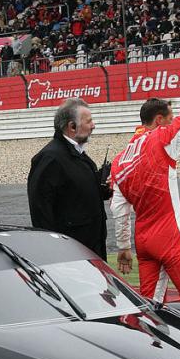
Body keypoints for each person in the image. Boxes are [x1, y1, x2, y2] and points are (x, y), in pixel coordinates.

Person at [109, 46, 180, 302]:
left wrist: (124, 247)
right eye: (170, 118)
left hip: (143, 241)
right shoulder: (162, 138)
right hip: (169, 233)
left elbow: (119, 210)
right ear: (158, 120)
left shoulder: (120, 160)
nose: (172, 122)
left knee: (150, 306)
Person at [27, 98, 111, 259]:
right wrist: (56, 254)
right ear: (72, 127)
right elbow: (41, 213)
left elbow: (78, 194)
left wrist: (104, 187)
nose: (93, 126)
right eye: (89, 121)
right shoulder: (50, 159)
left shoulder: (78, 154)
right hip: (71, 255)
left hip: (91, 250)